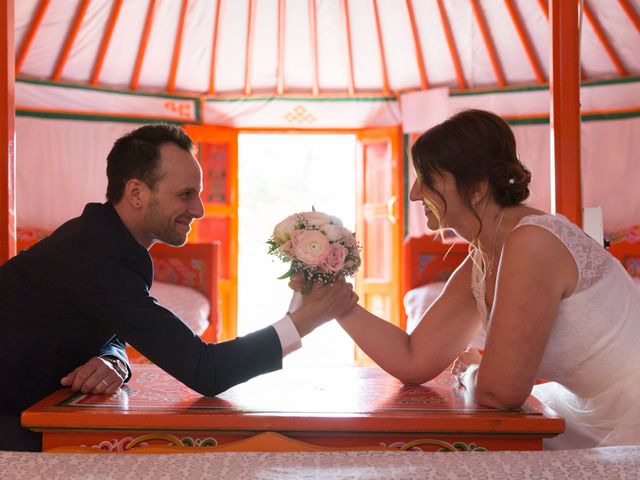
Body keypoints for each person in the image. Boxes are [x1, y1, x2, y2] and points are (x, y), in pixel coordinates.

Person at [293, 109, 640, 449]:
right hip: (595, 413)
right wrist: (336, 301)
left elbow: (501, 392)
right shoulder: (483, 259)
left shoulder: (533, 242)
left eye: (427, 178)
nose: (414, 193)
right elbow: (413, 359)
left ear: (476, 188)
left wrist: (472, 370)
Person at [0, 124, 357, 451]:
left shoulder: (103, 240)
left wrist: (114, 358)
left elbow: (109, 323)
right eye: (186, 194)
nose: (199, 209)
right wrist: (306, 319)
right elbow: (206, 371)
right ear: (137, 193)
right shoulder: (97, 257)